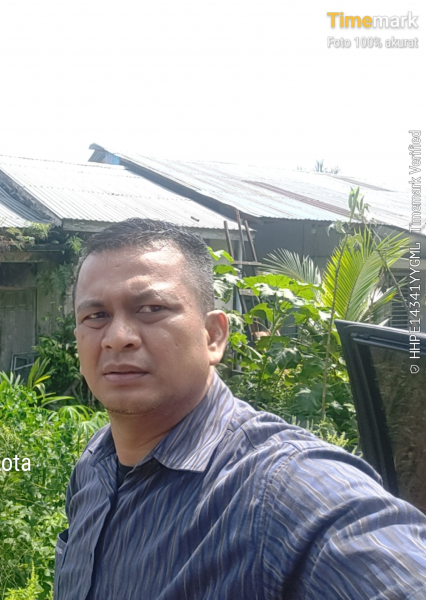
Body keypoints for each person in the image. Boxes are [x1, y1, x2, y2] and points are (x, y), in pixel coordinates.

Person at [53, 219, 426, 600]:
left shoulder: (284, 491)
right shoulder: (95, 464)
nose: (117, 338)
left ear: (213, 336)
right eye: (96, 316)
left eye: (151, 308)